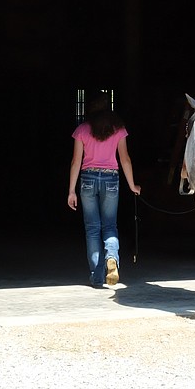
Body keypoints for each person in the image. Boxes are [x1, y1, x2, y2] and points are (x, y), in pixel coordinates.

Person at [68, 92, 141, 287]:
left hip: (88, 179)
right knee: (110, 225)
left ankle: (97, 276)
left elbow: (76, 162)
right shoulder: (118, 129)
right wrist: (132, 185)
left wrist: (71, 191)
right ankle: (112, 259)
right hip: (111, 179)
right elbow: (125, 159)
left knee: (92, 229)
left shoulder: (82, 130)